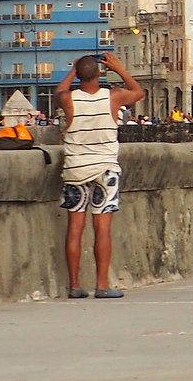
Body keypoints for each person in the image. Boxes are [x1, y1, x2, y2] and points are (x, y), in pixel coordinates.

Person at [55, 53, 144, 298]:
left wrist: (74, 71)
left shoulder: (68, 99)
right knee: (102, 229)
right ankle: (102, 285)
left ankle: (74, 285)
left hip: (76, 169)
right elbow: (138, 92)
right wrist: (119, 68)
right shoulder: (113, 97)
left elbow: (58, 92)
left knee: (75, 228)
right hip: (106, 169)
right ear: (99, 74)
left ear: (78, 74)